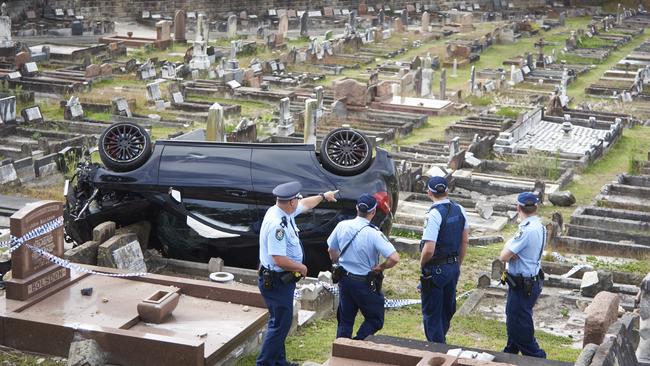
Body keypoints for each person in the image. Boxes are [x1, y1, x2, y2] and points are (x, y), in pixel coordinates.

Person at [257, 181, 338, 366]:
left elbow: (306, 204)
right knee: (280, 324)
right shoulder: (277, 224)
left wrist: (324, 196)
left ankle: (278, 362)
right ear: (291, 202)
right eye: (297, 199)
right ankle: (265, 363)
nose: (299, 201)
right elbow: (279, 259)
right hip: (276, 281)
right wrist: (300, 267)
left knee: (281, 322)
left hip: (279, 281)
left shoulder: (281, 210)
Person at [327, 194, 400, 340]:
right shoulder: (373, 233)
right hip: (364, 282)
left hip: (345, 279)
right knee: (375, 319)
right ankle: (358, 342)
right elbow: (394, 258)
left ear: (356, 208)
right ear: (373, 212)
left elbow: (331, 250)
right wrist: (381, 267)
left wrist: (337, 262)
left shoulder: (342, 226)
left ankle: (342, 351)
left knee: (345, 320)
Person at [419, 176, 469, 343]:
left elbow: (429, 249)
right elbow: (464, 241)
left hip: (435, 269)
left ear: (429, 192)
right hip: (453, 266)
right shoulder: (460, 209)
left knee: (432, 315)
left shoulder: (433, 214)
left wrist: (422, 265)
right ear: (447, 191)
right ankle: (441, 344)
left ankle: (438, 350)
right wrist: (458, 264)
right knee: (447, 310)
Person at [499, 191, 547, 358]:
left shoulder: (526, 231)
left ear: (518, 207)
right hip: (531, 281)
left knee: (518, 324)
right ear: (536, 207)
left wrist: (510, 250)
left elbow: (503, 256)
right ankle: (509, 353)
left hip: (522, 284)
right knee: (516, 319)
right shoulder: (539, 226)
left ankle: (537, 357)